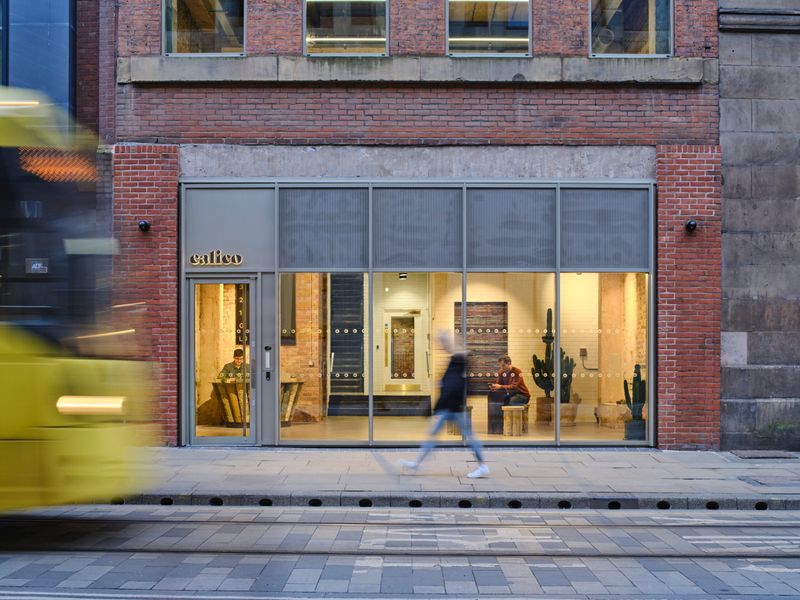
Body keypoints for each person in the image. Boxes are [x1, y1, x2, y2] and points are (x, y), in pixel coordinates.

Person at [399, 331, 489, 479]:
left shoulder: (460, 359)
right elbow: (451, 381)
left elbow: (454, 383)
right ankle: (417, 464)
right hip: (449, 405)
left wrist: (446, 340)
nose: (441, 347)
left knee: (468, 435)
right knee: (434, 434)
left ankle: (483, 466)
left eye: (442, 344)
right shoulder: (456, 360)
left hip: (453, 405)